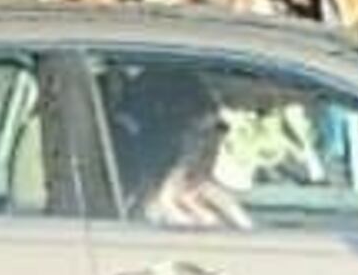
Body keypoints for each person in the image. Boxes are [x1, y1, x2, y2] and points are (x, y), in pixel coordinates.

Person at [108, 66, 252, 231]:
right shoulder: (125, 201)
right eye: (201, 133)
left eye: (218, 130)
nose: (214, 143)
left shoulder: (208, 197)